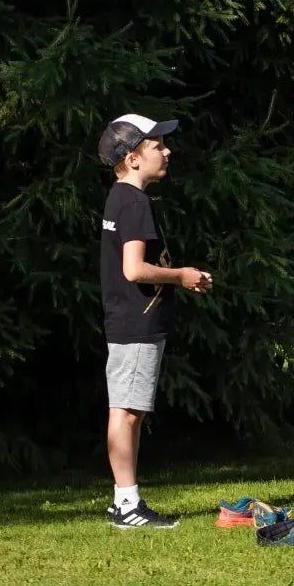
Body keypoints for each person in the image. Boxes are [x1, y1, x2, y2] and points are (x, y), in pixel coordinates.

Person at [97, 112, 212, 530]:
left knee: (130, 412)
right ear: (132, 158)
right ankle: (127, 504)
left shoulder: (120, 197)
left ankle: (123, 501)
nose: (168, 151)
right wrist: (182, 276)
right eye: (157, 146)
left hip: (130, 321)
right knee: (127, 413)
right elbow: (134, 269)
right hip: (135, 322)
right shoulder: (134, 202)